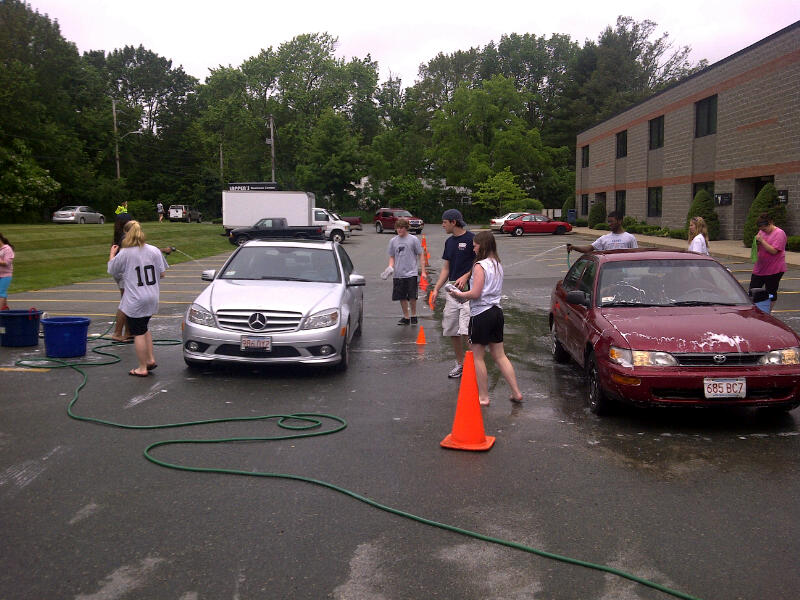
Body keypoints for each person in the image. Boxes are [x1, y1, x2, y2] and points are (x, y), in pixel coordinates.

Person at [448, 230, 522, 406]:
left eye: (474, 246)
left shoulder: (480, 266)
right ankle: (516, 392)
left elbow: (475, 293)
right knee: (500, 355)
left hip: (481, 314)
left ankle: (483, 396)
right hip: (497, 312)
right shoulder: (497, 263)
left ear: (482, 245)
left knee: (478, 357)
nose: (473, 249)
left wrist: (458, 294)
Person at [108, 220, 169, 377]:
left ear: (126, 234)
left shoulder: (126, 253)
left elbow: (112, 270)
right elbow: (162, 273)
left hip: (136, 298)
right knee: (144, 327)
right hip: (152, 296)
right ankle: (150, 359)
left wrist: (112, 254)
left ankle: (142, 367)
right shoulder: (154, 250)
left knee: (138, 332)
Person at [430, 209, 475, 378]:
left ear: (453, 222)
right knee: (451, 329)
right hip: (452, 291)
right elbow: (446, 268)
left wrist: (466, 275)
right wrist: (436, 289)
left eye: (444, 222)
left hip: (469, 292)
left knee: (466, 331)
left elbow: (480, 263)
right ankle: (461, 364)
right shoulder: (449, 242)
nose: (442, 225)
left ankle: (474, 366)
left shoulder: (472, 239)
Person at [386, 218, 426, 325]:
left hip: (411, 272)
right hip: (398, 274)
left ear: (406, 228)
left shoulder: (413, 239)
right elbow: (392, 256)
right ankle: (406, 317)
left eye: (402, 228)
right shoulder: (393, 241)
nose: (399, 230)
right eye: (398, 228)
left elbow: (420, 254)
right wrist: (390, 267)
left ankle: (413, 315)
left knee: (412, 296)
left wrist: (423, 271)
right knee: (401, 296)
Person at [750, 212, 786, 312]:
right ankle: (754, 311)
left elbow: (774, 251)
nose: (763, 231)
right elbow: (759, 246)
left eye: (765, 228)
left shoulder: (779, 233)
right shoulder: (761, 232)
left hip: (774, 269)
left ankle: (767, 312)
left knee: (771, 292)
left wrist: (762, 241)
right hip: (760, 267)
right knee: (752, 291)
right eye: (761, 229)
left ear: (770, 223)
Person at [110, 209, 134, 342]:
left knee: (127, 301)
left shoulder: (118, 236)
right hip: (124, 272)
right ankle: (118, 333)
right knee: (126, 302)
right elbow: (138, 250)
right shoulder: (126, 238)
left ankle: (128, 332)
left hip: (120, 271)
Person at [567, 211, 638, 254]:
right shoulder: (604, 238)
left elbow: (636, 255)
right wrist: (574, 247)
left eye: (611, 221)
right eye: (608, 221)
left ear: (620, 221)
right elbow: (589, 248)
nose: (609, 224)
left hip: (625, 274)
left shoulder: (630, 238)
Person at [0, 232, 15, 310]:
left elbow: (7, 263)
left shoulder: (7, 249)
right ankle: (5, 310)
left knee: (1, 293)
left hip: (5, 275)